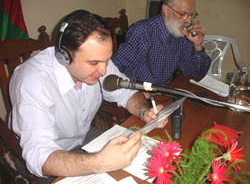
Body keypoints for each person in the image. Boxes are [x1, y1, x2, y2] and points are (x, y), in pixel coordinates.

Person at [8, 10, 167, 182]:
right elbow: (39, 157)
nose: (104, 70)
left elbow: (125, 92)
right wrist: (100, 162)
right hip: (47, 159)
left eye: (107, 60)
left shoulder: (99, 60)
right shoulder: (33, 82)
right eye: (94, 63)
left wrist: (144, 111)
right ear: (65, 56)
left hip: (81, 138)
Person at [112, 0, 211, 86]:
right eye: (183, 14)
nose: (188, 21)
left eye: (191, 14)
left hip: (161, 91)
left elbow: (194, 75)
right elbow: (115, 68)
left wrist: (198, 46)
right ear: (167, 10)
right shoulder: (143, 31)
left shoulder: (181, 35)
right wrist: (133, 91)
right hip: (135, 91)